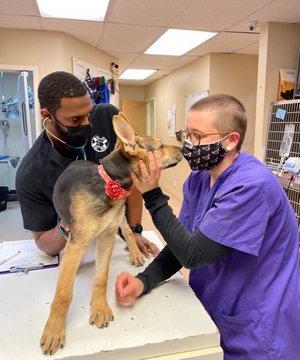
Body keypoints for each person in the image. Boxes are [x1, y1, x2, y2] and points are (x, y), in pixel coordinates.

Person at [115, 94, 300, 359]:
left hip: (259, 321)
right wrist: (144, 281)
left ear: (231, 140)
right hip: (218, 306)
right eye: (186, 134)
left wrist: (153, 196)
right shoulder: (200, 179)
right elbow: (182, 243)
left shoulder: (251, 186)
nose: (189, 144)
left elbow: (194, 255)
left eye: (198, 136)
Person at [16, 71, 158, 258]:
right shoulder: (32, 172)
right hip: (77, 244)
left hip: (115, 234)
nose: (88, 123)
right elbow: (45, 244)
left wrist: (135, 230)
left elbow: (131, 177)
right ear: (47, 115)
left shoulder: (108, 117)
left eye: (89, 114)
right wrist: (70, 220)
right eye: (75, 120)